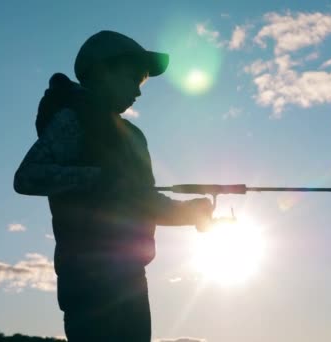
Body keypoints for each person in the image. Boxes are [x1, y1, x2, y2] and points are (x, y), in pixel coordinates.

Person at [13, 30, 214, 341]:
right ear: (103, 71)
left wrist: (190, 212)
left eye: (142, 80)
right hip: (87, 282)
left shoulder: (134, 138)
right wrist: (96, 178)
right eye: (135, 77)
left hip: (133, 281)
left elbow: (143, 201)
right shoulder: (72, 118)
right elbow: (27, 177)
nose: (139, 90)